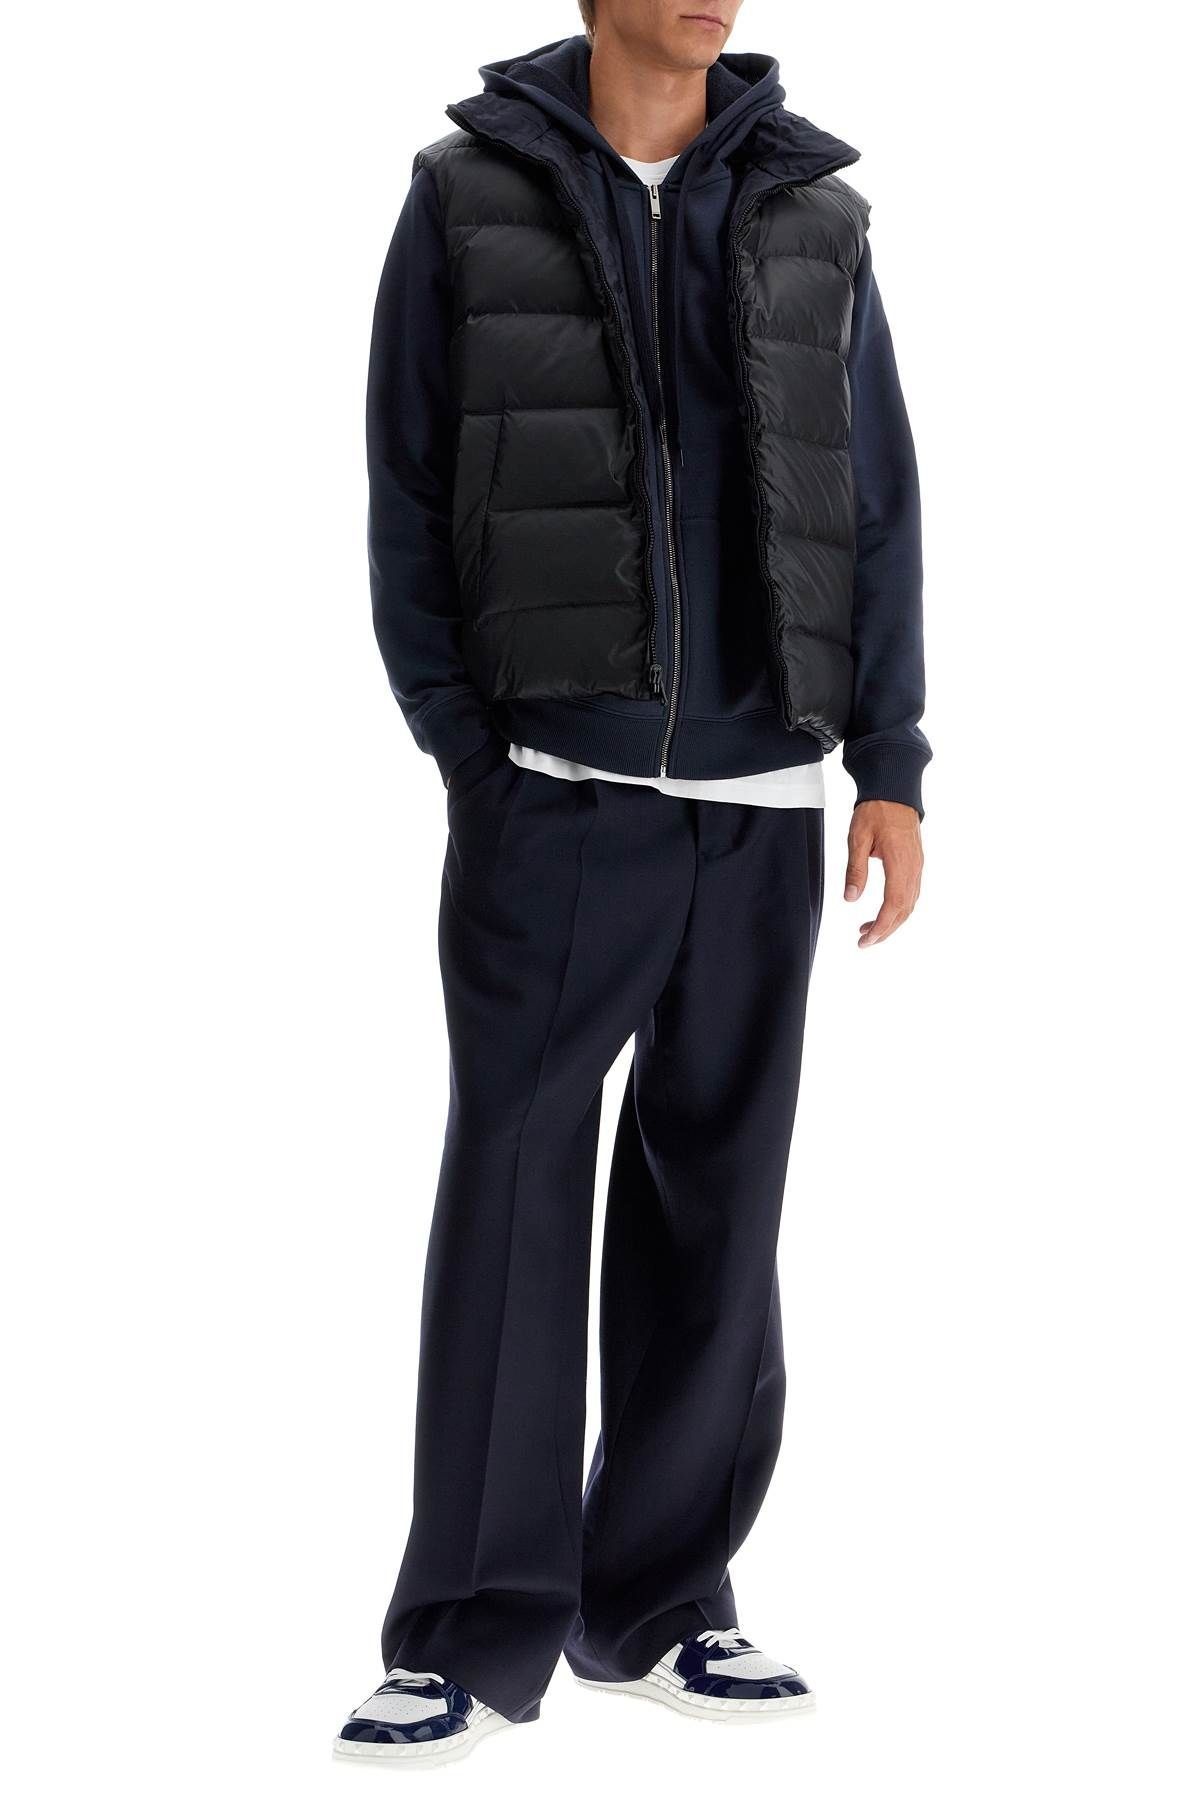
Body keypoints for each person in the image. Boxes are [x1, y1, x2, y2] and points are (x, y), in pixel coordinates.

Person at [335, 0, 929, 1766]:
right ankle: (470, 1630)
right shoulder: (466, 196)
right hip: (556, 795)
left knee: (718, 1211)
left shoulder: (817, 211)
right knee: (513, 1197)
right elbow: (406, 482)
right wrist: (473, 753)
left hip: (762, 799)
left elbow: (875, 501)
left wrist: (889, 764)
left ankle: (664, 1603)